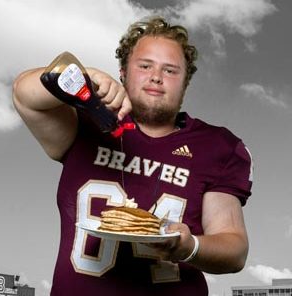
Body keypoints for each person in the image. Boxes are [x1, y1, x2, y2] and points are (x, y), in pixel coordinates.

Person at [13, 16, 253, 296]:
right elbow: (24, 93)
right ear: (123, 72)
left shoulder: (218, 145)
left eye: (171, 71)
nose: (156, 77)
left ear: (185, 83)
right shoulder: (87, 122)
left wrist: (190, 247)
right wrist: (85, 77)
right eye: (145, 65)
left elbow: (234, 248)